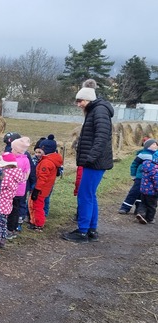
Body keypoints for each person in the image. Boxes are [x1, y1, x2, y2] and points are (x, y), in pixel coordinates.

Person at [62, 79, 114, 243]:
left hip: (94, 162)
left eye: (80, 101)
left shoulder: (99, 111)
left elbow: (101, 137)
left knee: (84, 195)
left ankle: (82, 231)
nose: (78, 104)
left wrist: (90, 157)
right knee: (90, 195)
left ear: (88, 99)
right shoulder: (95, 111)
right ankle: (92, 230)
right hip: (95, 161)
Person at [28, 135, 63, 231]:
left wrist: (36, 190)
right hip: (46, 188)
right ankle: (35, 221)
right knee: (39, 205)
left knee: (37, 206)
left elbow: (42, 178)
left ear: (45, 149)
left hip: (41, 189)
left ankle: (38, 224)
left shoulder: (46, 163)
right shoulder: (53, 160)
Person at [118, 138, 158, 214]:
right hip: (140, 177)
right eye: (153, 144)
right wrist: (133, 175)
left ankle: (139, 210)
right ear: (147, 146)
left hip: (151, 179)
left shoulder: (156, 155)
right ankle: (125, 207)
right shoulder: (143, 154)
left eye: (156, 144)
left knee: (143, 195)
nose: (155, 145)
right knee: (134, 192)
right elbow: (134, 164)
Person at [0, 152, 23, 250]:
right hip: (7, 204)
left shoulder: (6, 176)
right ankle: (3, 240)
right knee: (3, 223)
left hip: (1, 204)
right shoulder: (15, 175)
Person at [7, 136, 31, 239]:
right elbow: (27, 174)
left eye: (13, 149)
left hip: (14, 189)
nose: (11, 151)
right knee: (16, 209)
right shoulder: (26, 159)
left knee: (12, 210)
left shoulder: (16, 161)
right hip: (21, 190)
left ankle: (10, 229)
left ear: (17, 150)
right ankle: (14, 228)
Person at [135, 149, 158, 224]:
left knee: (143, 203)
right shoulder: (156, 170)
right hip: (152, 192)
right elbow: (156, 182)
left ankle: (141, 214)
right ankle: (150, 219)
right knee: (152, 206)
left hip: (143, 190)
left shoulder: (146, 166)